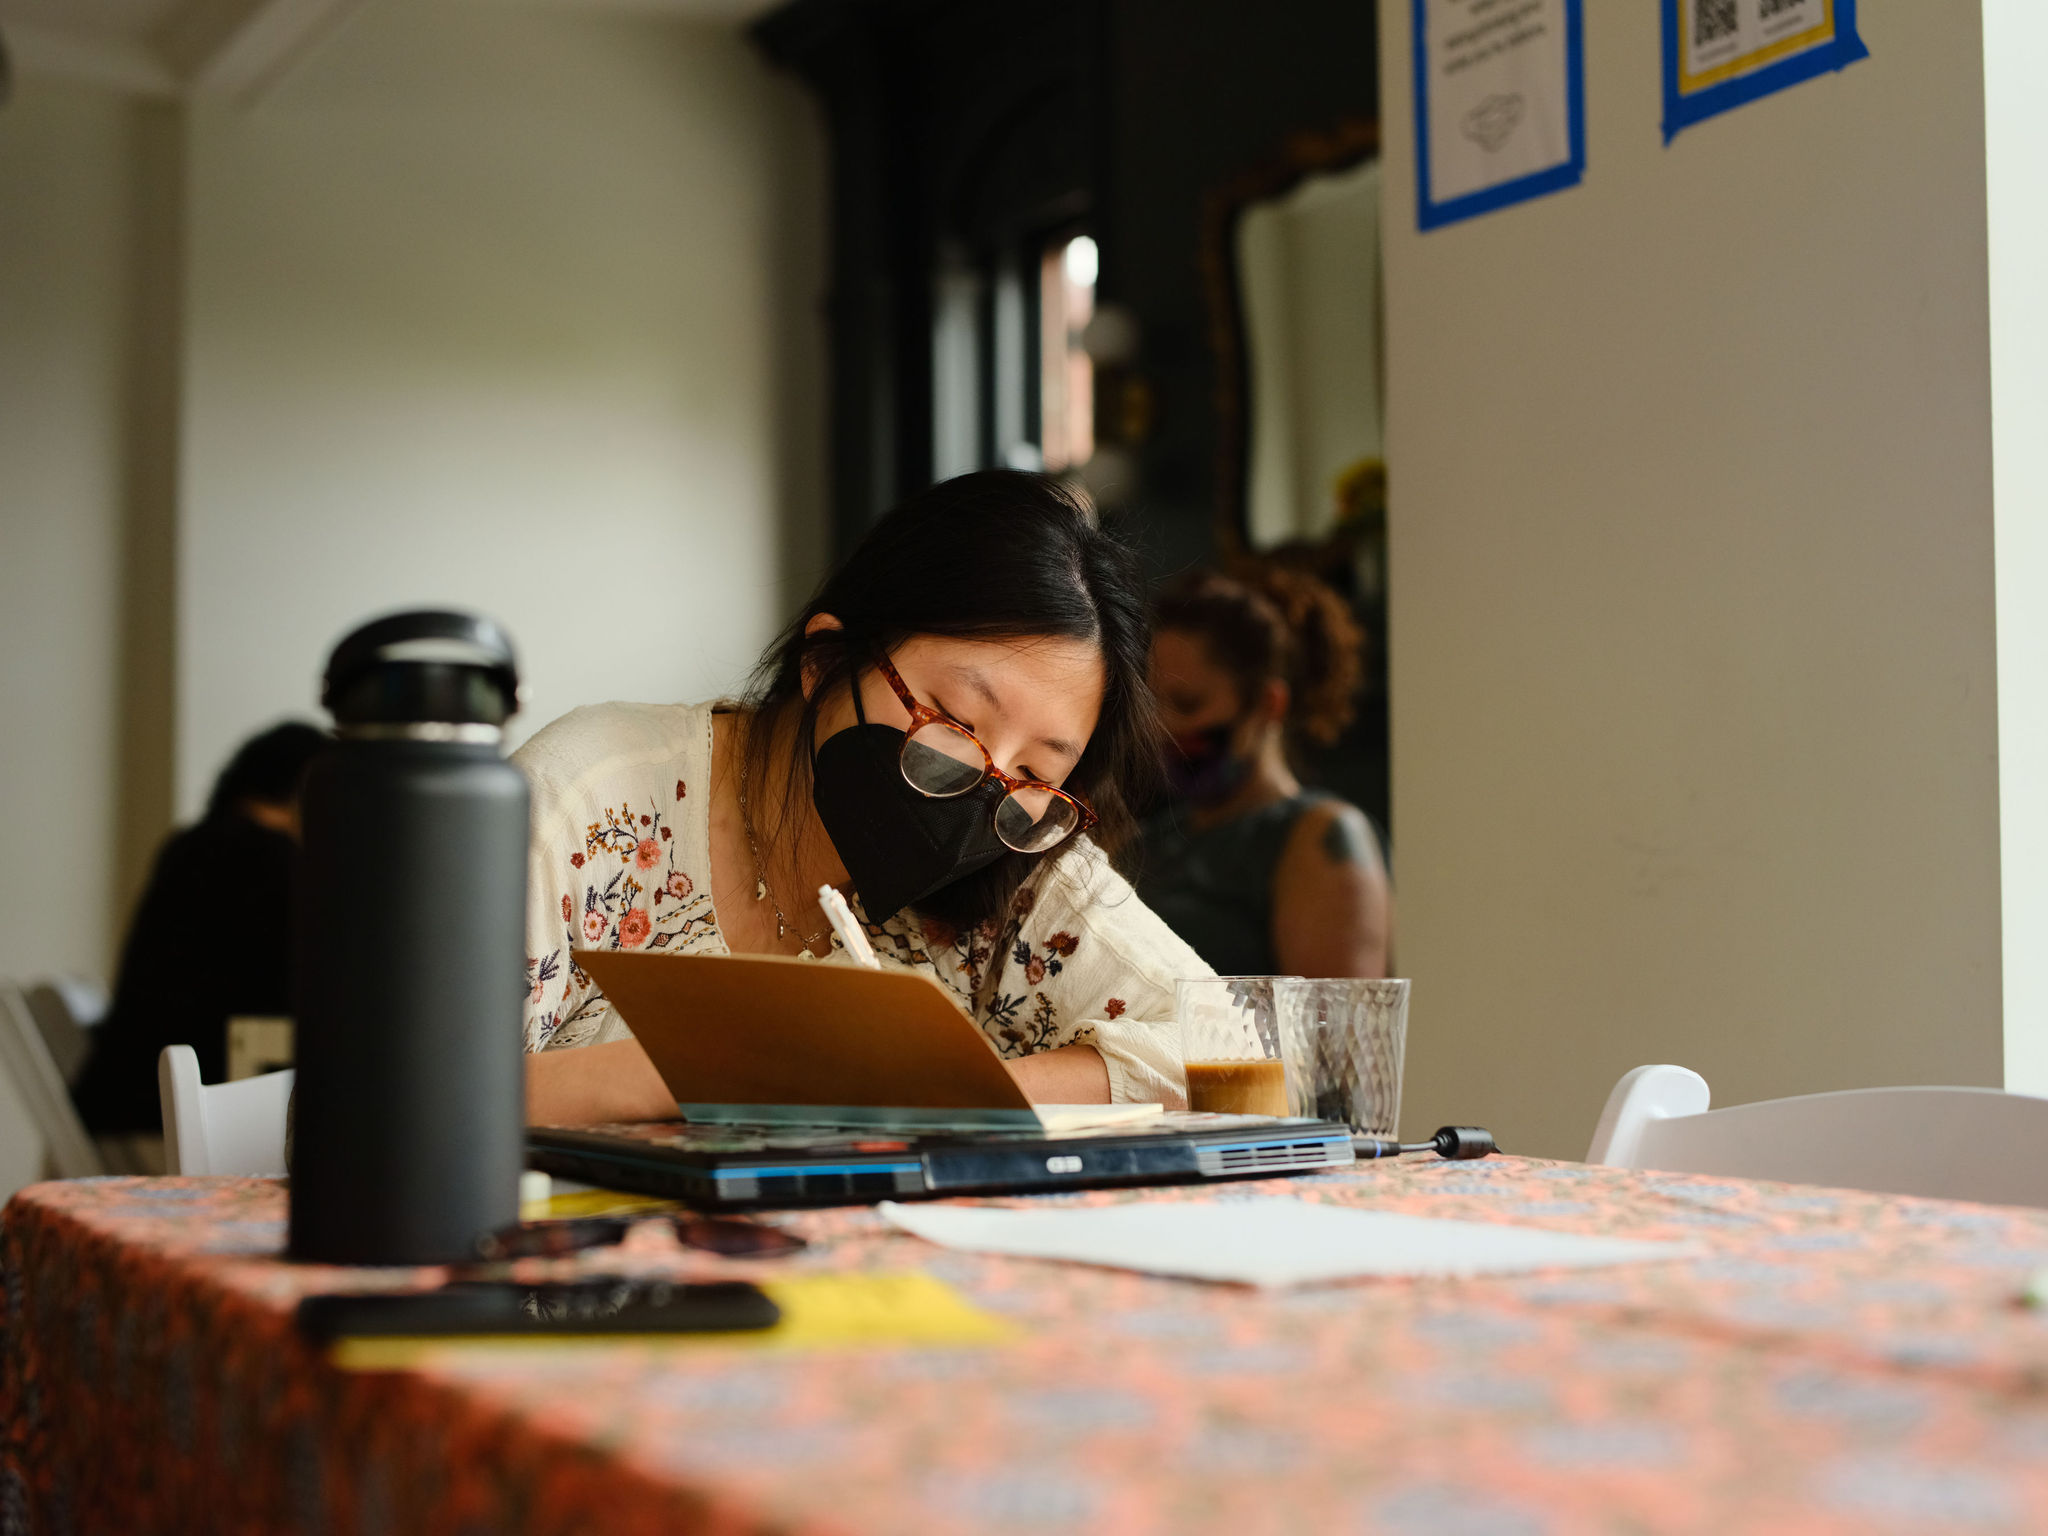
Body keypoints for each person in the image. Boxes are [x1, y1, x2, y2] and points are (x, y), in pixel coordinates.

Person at [519, 470, 1211, 1125]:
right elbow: (419, 1086)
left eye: (1036, 768)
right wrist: (696, 1073)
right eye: (956, 721)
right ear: (825, 661)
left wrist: (933, 1089)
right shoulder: (593, 798)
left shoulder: (1020, 850)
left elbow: (1234, 1047)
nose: (988, 783)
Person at [72, 721, 328, 1136]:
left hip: (122, 1093)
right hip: (178, 1111)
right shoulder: (274, 863)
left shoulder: (192, 844)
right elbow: (294, 986)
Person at [1136, 566, 1390, 978]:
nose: (1163, 727)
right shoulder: (1155, 839)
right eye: (1153, 705)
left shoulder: (1321, 834)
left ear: (1269, 705)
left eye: (1187, 704)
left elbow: (1335, 1034)